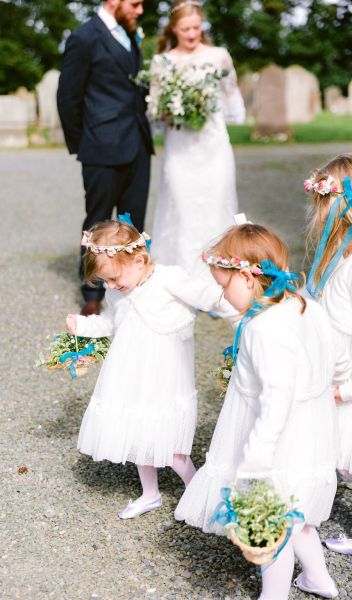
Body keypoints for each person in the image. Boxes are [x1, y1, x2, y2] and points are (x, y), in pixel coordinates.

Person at [174, 224, 339, 600]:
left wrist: (257, 459)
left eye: (223, 285)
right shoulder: (302, 304)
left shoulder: (262, 328)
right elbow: (335, 353)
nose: (222, 295)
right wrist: (338, 382)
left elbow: (275, 398)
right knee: (297, 515)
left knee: (270, 522)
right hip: (308, 429)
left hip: (276, 437)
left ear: (248, 277)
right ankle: (318, 578)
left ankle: (274, 595)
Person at [65, 217, 238, 519]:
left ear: (139, 259)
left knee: (171, 447)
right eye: (106, 282)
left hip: (165, 376)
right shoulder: (119, 290)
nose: (112, 286)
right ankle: (150, 494)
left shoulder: (169, 279)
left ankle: (200, 493)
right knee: (140, 433)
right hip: (133, 373)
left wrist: (243, 312)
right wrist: (83, 325)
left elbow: (210, 297)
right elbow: (111, 322)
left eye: (115, 279)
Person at [57, 0, 154, 317]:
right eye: (135, 3)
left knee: (134, 222)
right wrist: (84, 143)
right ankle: (93, 292)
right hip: (100, 147)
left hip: (138, 144)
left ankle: (132, 288)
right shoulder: (84, 37)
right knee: (98, 222)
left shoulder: (130, 35)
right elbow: (68, 97)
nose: (139, 11)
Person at [150, 0, 245, 279]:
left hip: (213, 146)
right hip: (180, 149)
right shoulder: (162, 62)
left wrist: (206, 106)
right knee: (182, 209)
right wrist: (169, 110)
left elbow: (230, 96)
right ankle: (183, 279)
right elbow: (153, 109)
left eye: (196, 27)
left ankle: (220, 279)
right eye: (185, 29)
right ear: (174, 29)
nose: (192, 34)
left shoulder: (219, 55)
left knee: (218, 205)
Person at [304, 154, 352, 557]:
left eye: (324, 200)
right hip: (330, 368)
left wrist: (346, 389)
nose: (317, 213)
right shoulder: (334, 254)